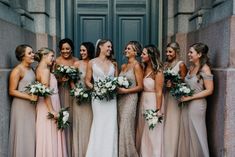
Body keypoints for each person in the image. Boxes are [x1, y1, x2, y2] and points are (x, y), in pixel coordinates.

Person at [178, 43, 213, 157]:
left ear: (199, 54)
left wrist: (191, 97)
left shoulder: (205, 69)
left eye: (191, 52)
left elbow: (209, 90)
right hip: (187, 103)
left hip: (197, 105)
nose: (188, 54)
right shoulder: (192, 67)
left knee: (197, 132)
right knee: (188, 133)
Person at [85, 39, 118, 157]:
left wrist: (112, 87)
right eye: (108, 46)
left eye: (111, 47)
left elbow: (116, 81)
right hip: (98, 98)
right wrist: (96, 88)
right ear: (100, 47)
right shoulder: (92, 63)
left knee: (110, 125)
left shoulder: (113, 64)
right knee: (99, 123)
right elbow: (87, 81)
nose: (110, 49)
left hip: (111, 99)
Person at [35, 47, 67, 157]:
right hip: (49, 104)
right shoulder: (45, 71)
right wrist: (52, 110)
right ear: (44, 56)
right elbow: (46, 93)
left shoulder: (39, 68)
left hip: (47, 103)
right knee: (50, 132)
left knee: (47, 133)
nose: (53, 59)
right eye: (51, 56)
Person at [8, 44, 37, 157]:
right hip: (21, 107)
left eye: (32, 52)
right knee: (22, 133)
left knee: (30, 133)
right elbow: (11, 91)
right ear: (22, 56)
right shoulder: (17, 70)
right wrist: (29, 97)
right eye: (30, 53)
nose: (33, 54)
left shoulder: (32, 69)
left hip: (31, 106)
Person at [136, 44, 164, 157]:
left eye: (144, 53)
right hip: (143, 101)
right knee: (143, 130)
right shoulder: (143, 68)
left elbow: (159, 91)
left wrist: (158, 110)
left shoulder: (158, 71)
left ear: (151, 56)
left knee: (152, 131)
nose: (141, 55)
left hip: (153, 102)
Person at [117, 41, 143, 157]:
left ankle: (129, 154)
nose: (126, 51)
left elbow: (140, 86)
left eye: (129, 49)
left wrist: (126, 91)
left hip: (131, 99)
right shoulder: (123, 66)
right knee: (120, 124)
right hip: (121, 99)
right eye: (126, 49)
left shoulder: (137, 66)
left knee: (126, 126)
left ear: (135, 52)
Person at [163, 42, 187, 157]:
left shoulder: (181, 65)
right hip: (166, 96)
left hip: (174, 98)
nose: (167, 53)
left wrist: (173, 83)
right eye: (167, 51)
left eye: (170, 51)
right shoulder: (166, 65)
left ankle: (172, 152)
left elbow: (185, 82)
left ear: (176, 52)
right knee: (166, 121)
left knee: (173, 122)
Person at [55, 38, 78, 157]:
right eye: (63, 48)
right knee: (64, 116)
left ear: (71, 49)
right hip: (62, 91)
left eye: (67, 48)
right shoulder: (56, 61)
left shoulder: (76, 61)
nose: (65, 51)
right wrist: (60, 80)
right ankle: (63, 150)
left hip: (73, 92)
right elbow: (52, 79)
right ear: (60, 50)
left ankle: (73, 149)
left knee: (74, 118)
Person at [72, 42, 95, 157]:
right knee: (80, 124)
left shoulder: (94, 63)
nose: (82, 53)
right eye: (80, 50)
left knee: (90, 124)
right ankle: (79, 153)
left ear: (89, 51)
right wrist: (76, 91)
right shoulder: (77, 64)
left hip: (91, 99)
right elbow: (71, 81)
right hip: (79, 99)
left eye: (84, 50)